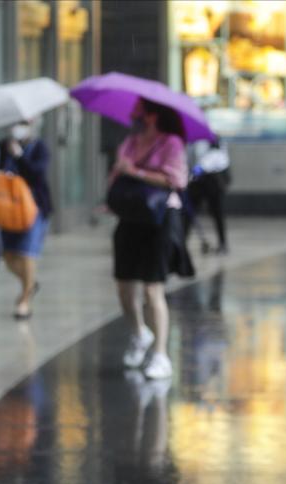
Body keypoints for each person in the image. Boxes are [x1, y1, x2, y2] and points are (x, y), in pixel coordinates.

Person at [109, 98, 193, 380]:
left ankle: (160, 354)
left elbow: (177, 180)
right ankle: (139, 333)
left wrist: (136, 172)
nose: (134, 115)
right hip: (130, 217)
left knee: (151, 289)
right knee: (123, 286)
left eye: (140, 112)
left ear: (153, 116)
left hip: (159, 219)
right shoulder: (130, 142)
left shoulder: (172, 143)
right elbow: (117, 174)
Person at [0, 118, 53, 319]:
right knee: (7, 254)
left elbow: (37, 174)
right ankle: (30, 283)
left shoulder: (40, 147)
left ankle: (25, 299)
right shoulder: (2, 146)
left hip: (34, 208)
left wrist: (19, 156)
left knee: (27, 253)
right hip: (7, 208)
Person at [185, 139, 230, 254]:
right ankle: (182, 243)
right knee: (189, 212)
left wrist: (198, 169)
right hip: (196, 182)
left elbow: (217, 160)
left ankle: (223, 244)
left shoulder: (214, 140)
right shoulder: (191, 142)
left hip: (212, 180)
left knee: (217, 213)